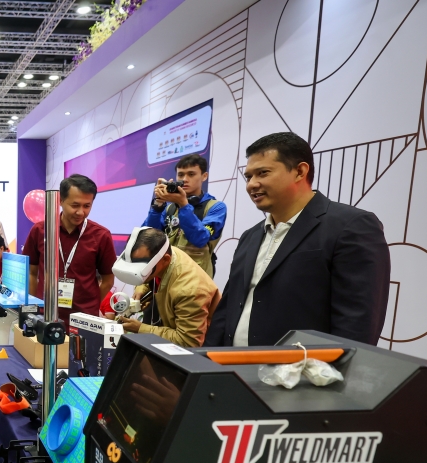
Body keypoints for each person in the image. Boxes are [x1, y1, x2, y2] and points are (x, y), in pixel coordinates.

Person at [204, 132, 390, 347]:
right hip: (231, 364)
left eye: (263, 173)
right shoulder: (250, 236)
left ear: (300, 171)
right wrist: (204, 360)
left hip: (301, 367)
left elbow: (357, 325)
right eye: (248, 176)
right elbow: (227, 309)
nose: (252, 184)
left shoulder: (350, 226)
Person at [22, 175, 117, 321]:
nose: (80, 212)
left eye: (87, 206)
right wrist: (33, 306)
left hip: (83, 319)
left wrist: (90, 305)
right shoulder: (41, 230)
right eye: (75, 205)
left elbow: (108, 280)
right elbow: (31, 273)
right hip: (45, 314)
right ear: (60, 200)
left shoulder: (101, 235)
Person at [115, 228, 220, 347]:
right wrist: (142, 288)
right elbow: (149, 270)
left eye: (140, 269)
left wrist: (140, 329)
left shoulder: (190, 290)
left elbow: (188, 342)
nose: (137, 273)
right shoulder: (164, 251)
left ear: (165, 259)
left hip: (200, 350)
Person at [142, 154, 226, 277]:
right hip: (166, 275)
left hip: (195, 278)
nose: (185, 179)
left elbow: (200, 239)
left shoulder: (216, 207)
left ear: (204, 176)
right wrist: (158, 204)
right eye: (181, 175)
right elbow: (148, 237)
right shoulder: (170, 207)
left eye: (191, 174)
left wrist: (183, 205)